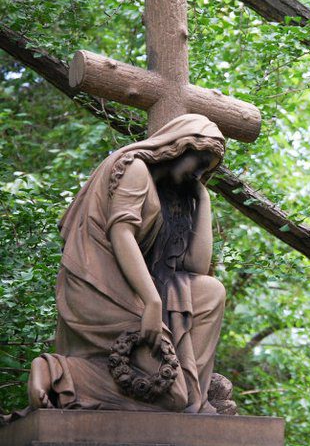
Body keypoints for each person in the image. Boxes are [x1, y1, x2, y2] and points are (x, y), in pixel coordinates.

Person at [27, 114, 226, 413]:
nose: (198, 174)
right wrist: (151, 303)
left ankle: (191, 397)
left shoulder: (170, 191)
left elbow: (196, 266)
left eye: (205, 170)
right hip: (98, 286)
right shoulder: (135, 168)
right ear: (179, 148)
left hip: (131, 284)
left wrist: (203, 197)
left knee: (210, 292)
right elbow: (122, 234)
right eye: (198, 163)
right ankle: (59, 372)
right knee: (169, 394)